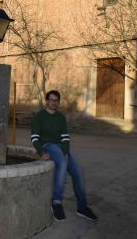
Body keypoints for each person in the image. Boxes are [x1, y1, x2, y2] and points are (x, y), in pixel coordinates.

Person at [31, 90, 98, 222]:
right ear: (47, 101)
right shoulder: (39, 117)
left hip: (60, 147)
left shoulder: (61, 117)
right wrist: (41, 152)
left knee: (78, 171)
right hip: (48, 145)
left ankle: (82, 207)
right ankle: (56, 201)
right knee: (62, 163)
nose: (53, 102)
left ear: (58, 102)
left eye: (56, 100)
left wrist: (66, 152)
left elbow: (65, 138)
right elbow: (34, 138)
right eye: (51, 100)